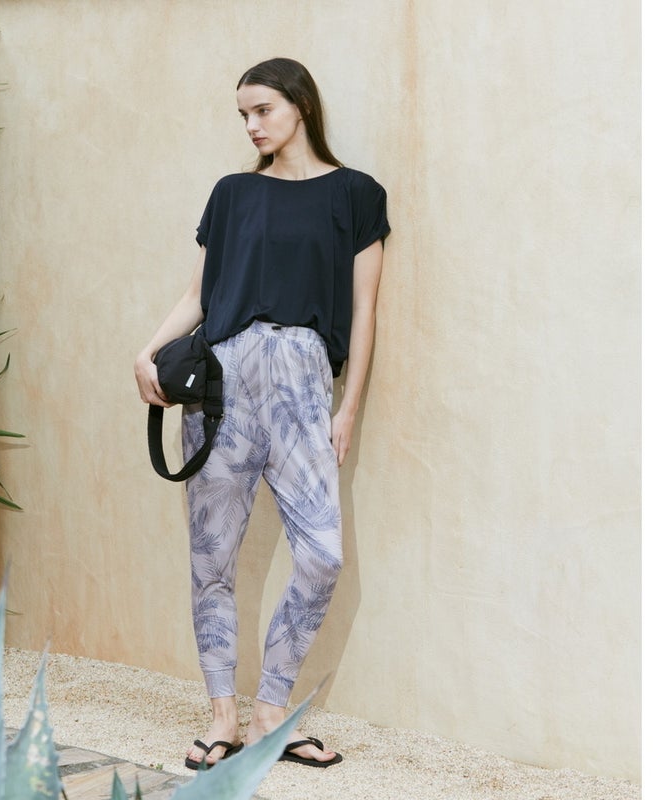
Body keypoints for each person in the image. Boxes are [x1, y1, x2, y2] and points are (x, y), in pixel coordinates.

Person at [134, 57, 390, 770]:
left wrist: (347, 408)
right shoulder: (234, 193)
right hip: (224, 388)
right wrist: (147, 349)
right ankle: (223, 715)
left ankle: (272, 710)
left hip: (304, 386)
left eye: (262, 110)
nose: (251, 125)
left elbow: (365, 311)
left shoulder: (355, 194)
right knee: (211, 557)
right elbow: (199, 295)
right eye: (243, 114)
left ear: (299, 104)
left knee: (323, 555)